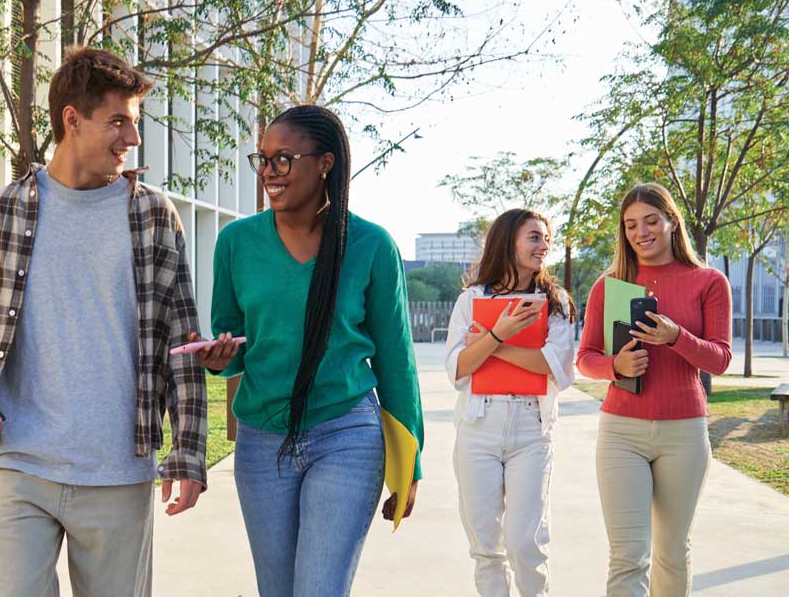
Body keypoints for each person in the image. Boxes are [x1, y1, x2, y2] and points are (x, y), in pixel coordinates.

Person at [0, 47, 208, 597]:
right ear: (71, 120)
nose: (132, 139)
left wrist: (187, 450)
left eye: (133, 124)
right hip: (18, 461)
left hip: (117, 469)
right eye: (119, 122)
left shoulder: (152, 214)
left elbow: (179, 340)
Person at [195, 104, 422, 596]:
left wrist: (411, 465)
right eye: (263, 160)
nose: (269, 174)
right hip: (261, 437)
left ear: (324, 163)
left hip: (347, 432)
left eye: (283, 160)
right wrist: (220, 358)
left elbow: (396, 360)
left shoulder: (371, 245)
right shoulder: (236, 243)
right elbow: (232, 339)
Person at [576, 183, 731, 596]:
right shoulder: (610, 286)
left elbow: (719, 359)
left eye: (650, 221)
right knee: (627, 556)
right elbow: (585, 357)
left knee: (672, 553)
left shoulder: (708, 282)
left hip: (684, 434)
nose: (641, 232)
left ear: (672, 222)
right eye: (630, 225)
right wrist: (615, 365)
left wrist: (676, 336)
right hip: (621, 433)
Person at [444, 209, 576, 596]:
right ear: (508, 241)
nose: (544, 245)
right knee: (486, 546)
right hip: (478, 426)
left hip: (531, 429)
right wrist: (498, 335)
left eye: (546, 238)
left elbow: (552, 367)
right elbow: (458, 369)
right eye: (534, 237)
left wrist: (492, 342)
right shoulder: (470, 301)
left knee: (525, 544)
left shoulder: (556, 302)